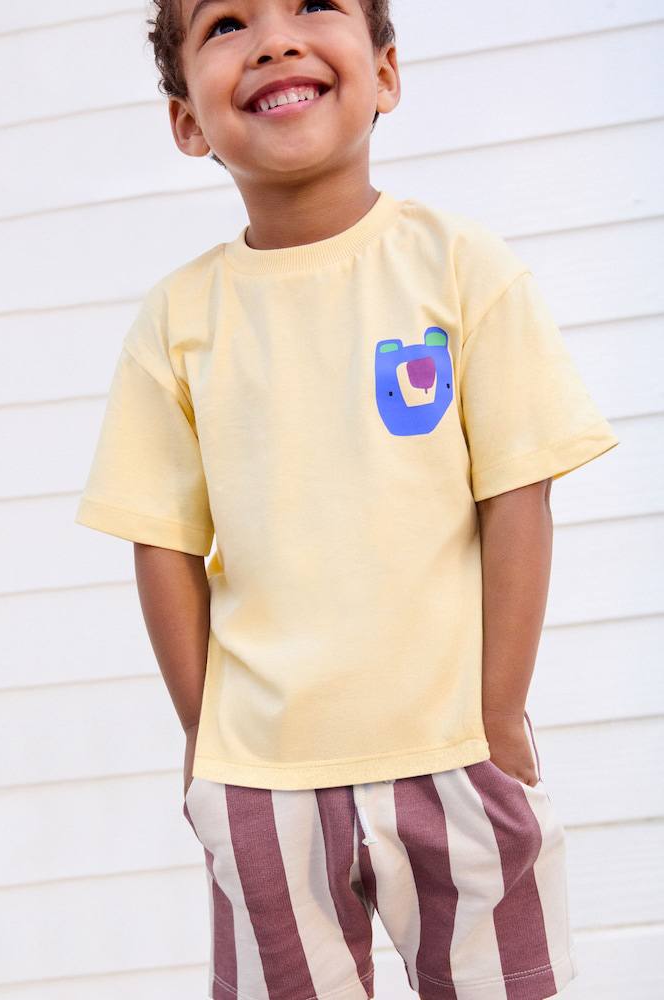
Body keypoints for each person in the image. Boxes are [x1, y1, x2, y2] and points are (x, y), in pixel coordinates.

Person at [74, 2, 619, 997]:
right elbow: (161, 543)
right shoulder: (178, 321)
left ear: (386, 75)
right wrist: (204, 740)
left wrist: (499, 714)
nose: (276, 39)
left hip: (455, 751)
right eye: (227, 23)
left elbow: (518, 495)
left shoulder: (461, 269)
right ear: (188, 121)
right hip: (263, 778)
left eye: (315, 6)